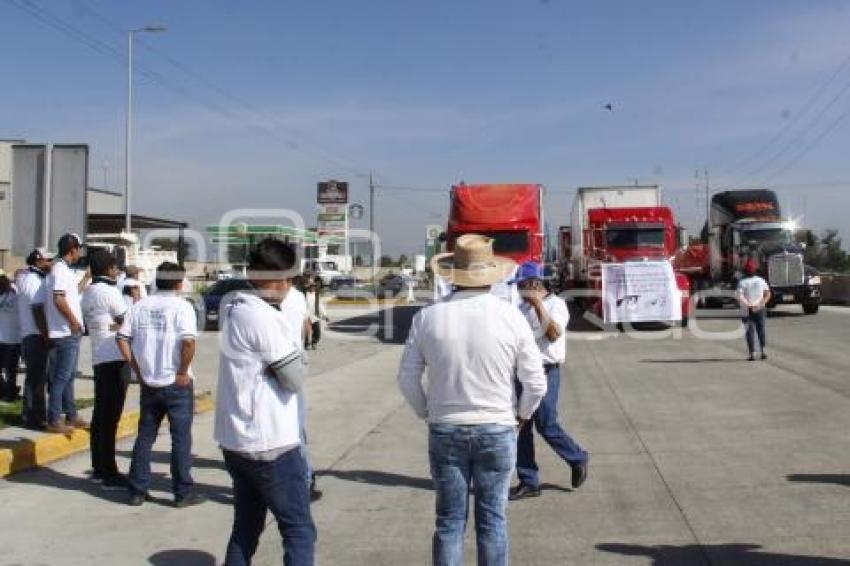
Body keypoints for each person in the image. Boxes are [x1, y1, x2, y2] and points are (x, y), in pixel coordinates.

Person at [398, 234, 547, 566]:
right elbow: (535, 382)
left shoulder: (428, 317)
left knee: (449, 523)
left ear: (454, 273)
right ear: (491, 274)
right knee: (493, 522)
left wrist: (427, 411)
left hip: (446, 427)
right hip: (497, 426)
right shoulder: (511, 317)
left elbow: (407, 378)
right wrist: (522, 416)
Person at [215, 238, 316, 565]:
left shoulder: (235, 305)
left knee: (246, 526)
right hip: (270, 444)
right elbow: (294, 378)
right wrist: (292, 364)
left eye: (289, 279)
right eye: (282, 279)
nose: (286, 287)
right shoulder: (261, 317)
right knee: (299, 529)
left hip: (236, 440)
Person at [117, 262, 205, 508]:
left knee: (145, 435)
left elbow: (122, 338)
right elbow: (188, 342)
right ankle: (182, 492)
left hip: (149, 381)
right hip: (176, 382)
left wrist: (137, 368)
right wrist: (181, 371)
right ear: (179, 282)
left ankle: (137, 490)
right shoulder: (182, 307)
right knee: (180, 438)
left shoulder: (140, 306)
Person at [509, 262, 589, 501]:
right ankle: (529, 480)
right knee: (520, 427)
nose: (519, 290)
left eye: (523, 285)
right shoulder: (519, 309)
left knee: (546, 424)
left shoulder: (557, 305)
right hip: (521, 372)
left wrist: (537, 304)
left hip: (546, 371)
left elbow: (553, 334)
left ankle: (577, 457)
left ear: (535, 283)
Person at [81, 249, 130, 488]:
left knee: (100, 417)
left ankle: (99, 466)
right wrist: (114, 326)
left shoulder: (88, 291)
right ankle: (109, 472)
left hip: (99, 357)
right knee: (110, 417)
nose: (117, 270)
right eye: (115, 266)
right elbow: (126, 322)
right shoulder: (110, 292)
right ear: (109, 269)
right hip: (115, 357)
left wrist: (111, 325)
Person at [279, 267, 322, 502]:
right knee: (296, 428)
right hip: (293, 363)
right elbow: (306, 326)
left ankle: (301, 479)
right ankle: (305, 480)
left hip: (276, 367)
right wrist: (306, 348)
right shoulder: (297, 297)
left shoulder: (257, 302)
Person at [45, 233, 88, 434]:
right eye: (79, 248)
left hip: (67, 331)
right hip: (65, 332)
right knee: (61, 377)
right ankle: (54, 418)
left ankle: (71, 414)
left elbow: (70, 295)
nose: (81, 252)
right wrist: (73, 321)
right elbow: (59, 299)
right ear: (73, 249)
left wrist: (86, 278)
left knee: (68, 376)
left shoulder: (64, 270)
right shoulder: (60, 270)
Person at [16, 248, 53, 429]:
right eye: (48, 260)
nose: (51, 264)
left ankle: (36, 414)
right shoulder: (32, 280)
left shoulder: (33, 278)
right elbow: (36, 309)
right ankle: (32, 417)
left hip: (35, 333)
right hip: (35, 334)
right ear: (38, 261)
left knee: (38, 378)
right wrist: (46, 334)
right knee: (35, 378)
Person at [737, 259, 771, 361]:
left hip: (746, 309)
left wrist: (748, 304)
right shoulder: (761, 280)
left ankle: (752, 353)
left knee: (749, 331)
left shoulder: (742, 282)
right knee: (761, 330)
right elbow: (768, 294)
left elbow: (739, 296)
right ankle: (763, 351)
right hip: (760, 308)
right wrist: (761, 303)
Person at [0, 272, 21, 402]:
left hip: (9, 338)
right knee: (11, 369)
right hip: (11, 339)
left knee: (10, 369)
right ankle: (9, 392)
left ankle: (8, 391)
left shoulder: (14, 294)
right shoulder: (15, 295)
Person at [304, 280, 328, 350]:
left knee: (317, 330)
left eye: (314, 286)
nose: (313, 288)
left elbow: (320, 305)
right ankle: (307, 344)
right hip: (306, 315)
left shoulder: (316, 295)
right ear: (309, 287)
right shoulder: (305, 295)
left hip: (315, 315)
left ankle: (314, 342)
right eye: (311, 286)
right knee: (307, 331)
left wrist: (325, 315)